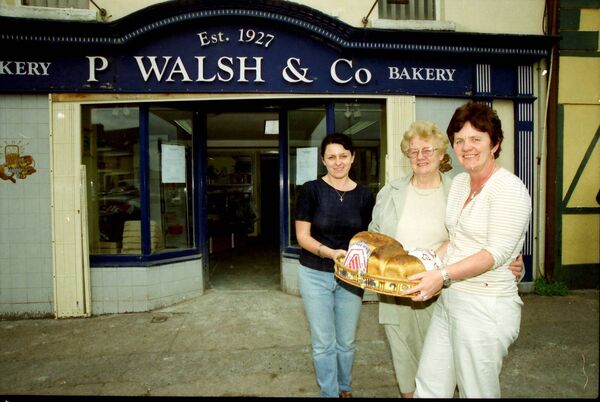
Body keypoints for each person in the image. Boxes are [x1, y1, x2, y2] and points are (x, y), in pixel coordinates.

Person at [368, 120, 524, 398]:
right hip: (404, 293)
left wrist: (511, 260)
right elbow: (377, 239)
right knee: (420, 380)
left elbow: (494, 247)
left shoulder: (462, 187)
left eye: (428, 150)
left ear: (442, 154)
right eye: (413, 151)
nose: (421, 156)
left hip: (451, 294)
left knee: (470, 385)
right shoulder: (396, 192)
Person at [403, 102, 532, 398]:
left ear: (495, 143)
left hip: (486, 306)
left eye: (476, 139)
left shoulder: (509, 189)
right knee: (429, 386)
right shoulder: (460, 183)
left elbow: (494, 253)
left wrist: (442, 275)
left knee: (477, 392)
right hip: (451, 302)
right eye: (459, 140)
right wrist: (417, 264)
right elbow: (455, 240)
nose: (466, 147)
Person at [295, 132, 375, 398]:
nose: (338, 162)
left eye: (343, 156)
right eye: (331, 157)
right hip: (314, 273)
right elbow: (302, 237)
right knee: (323, 343)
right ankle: (329, 392)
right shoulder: (311, 190)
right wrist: (329, 253)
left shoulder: (365, 196)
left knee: (347, 341)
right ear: (323, 160)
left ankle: (345, 387)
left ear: (352, 158)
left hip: (351, 278)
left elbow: (369, 238)